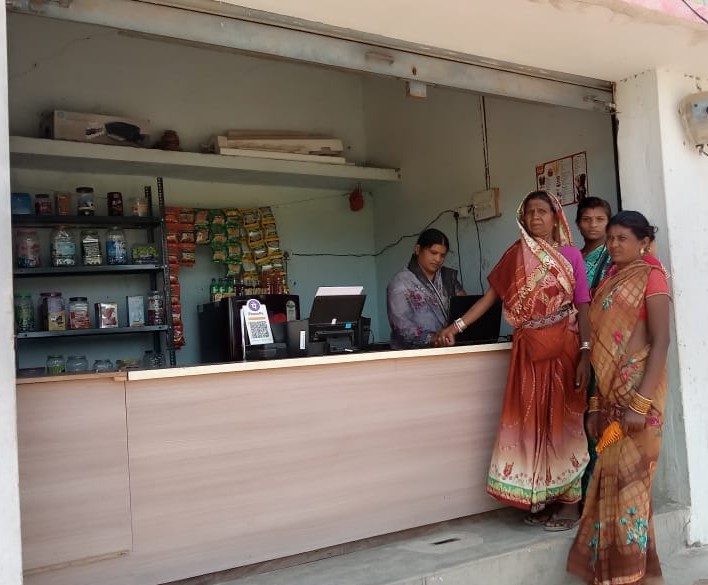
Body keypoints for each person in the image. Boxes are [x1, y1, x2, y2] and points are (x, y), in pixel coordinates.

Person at [439, 190, 591, 530]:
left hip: (565, 349)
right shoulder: (515, 256)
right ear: (522, 218)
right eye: (530, 212)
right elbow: (490, 299)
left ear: (555, 217)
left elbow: (583, 304)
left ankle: (570, 504)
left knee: (564, 422)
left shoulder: (570, 256)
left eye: (542, 211)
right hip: (528, 353)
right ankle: (540, 497)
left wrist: (585, 350)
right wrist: (455, 326)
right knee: (532, 423)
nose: (536, 217)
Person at [567, 211, 671, 585]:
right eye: (610, 238)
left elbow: (661, 342)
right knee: (613, 489)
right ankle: (633, 575)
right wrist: (596, 405)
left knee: (632, 492)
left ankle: (626, 576)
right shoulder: (608, 280)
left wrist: (639, 404)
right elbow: (599, 350)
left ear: (643, 242)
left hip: (640, 404)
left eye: (622, 238)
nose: (613, 244)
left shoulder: (652, 277)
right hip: (610, 402)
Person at [576, 196, 613, 502]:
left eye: (600, 219)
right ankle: (580, 494)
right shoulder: (573, 259)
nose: (593, 225)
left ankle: (597, 495)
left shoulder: (614, 258)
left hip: (604, 346)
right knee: (579, 419)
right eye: (587, 219)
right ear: (578, 224)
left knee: (600, 418)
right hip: (575, 344)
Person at [386, 228, 465, 349]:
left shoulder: (448, 278)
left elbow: (465, 309)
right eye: (433, 253)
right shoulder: (400, 283)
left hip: (451, 346)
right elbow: (402, 328)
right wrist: (435, 339)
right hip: (414, 354)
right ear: (418, 250)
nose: (438, 259)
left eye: (442, 255)